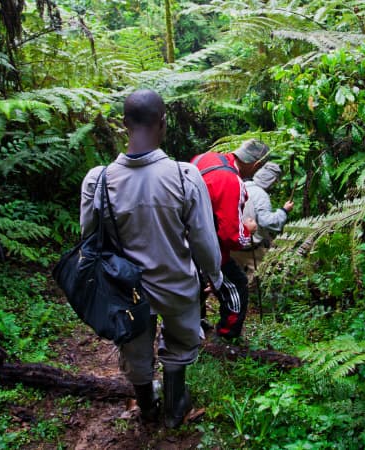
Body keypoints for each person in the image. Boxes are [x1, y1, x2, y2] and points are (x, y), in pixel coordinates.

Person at [79, 89, 222, 429]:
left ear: (124, 124)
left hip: (127, 293)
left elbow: (88, 237)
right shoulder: (185, 176)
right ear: (164, 123)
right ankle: (175, 408)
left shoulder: (97, 180)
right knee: (181, 343)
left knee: (135, 350)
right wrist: (215, 275)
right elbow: (203, 238)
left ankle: (147, 408)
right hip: (177, 287)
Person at [191, 138, 269, 340]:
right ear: (256, 165)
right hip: (204, 245)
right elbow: (231, 237)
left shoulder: (202, 159)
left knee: (196, 283)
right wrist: (248, 229)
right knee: (237, 285)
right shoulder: (231, 181)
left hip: (180, 238)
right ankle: (227, 337)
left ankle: (194, 324)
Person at [231, 162, 293, 278]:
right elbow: (267, 222)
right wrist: (284, 211)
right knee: (258, 280)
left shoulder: (240, 186)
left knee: (235, 280)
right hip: (250, 249)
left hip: (233, 247)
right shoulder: (260, 194)